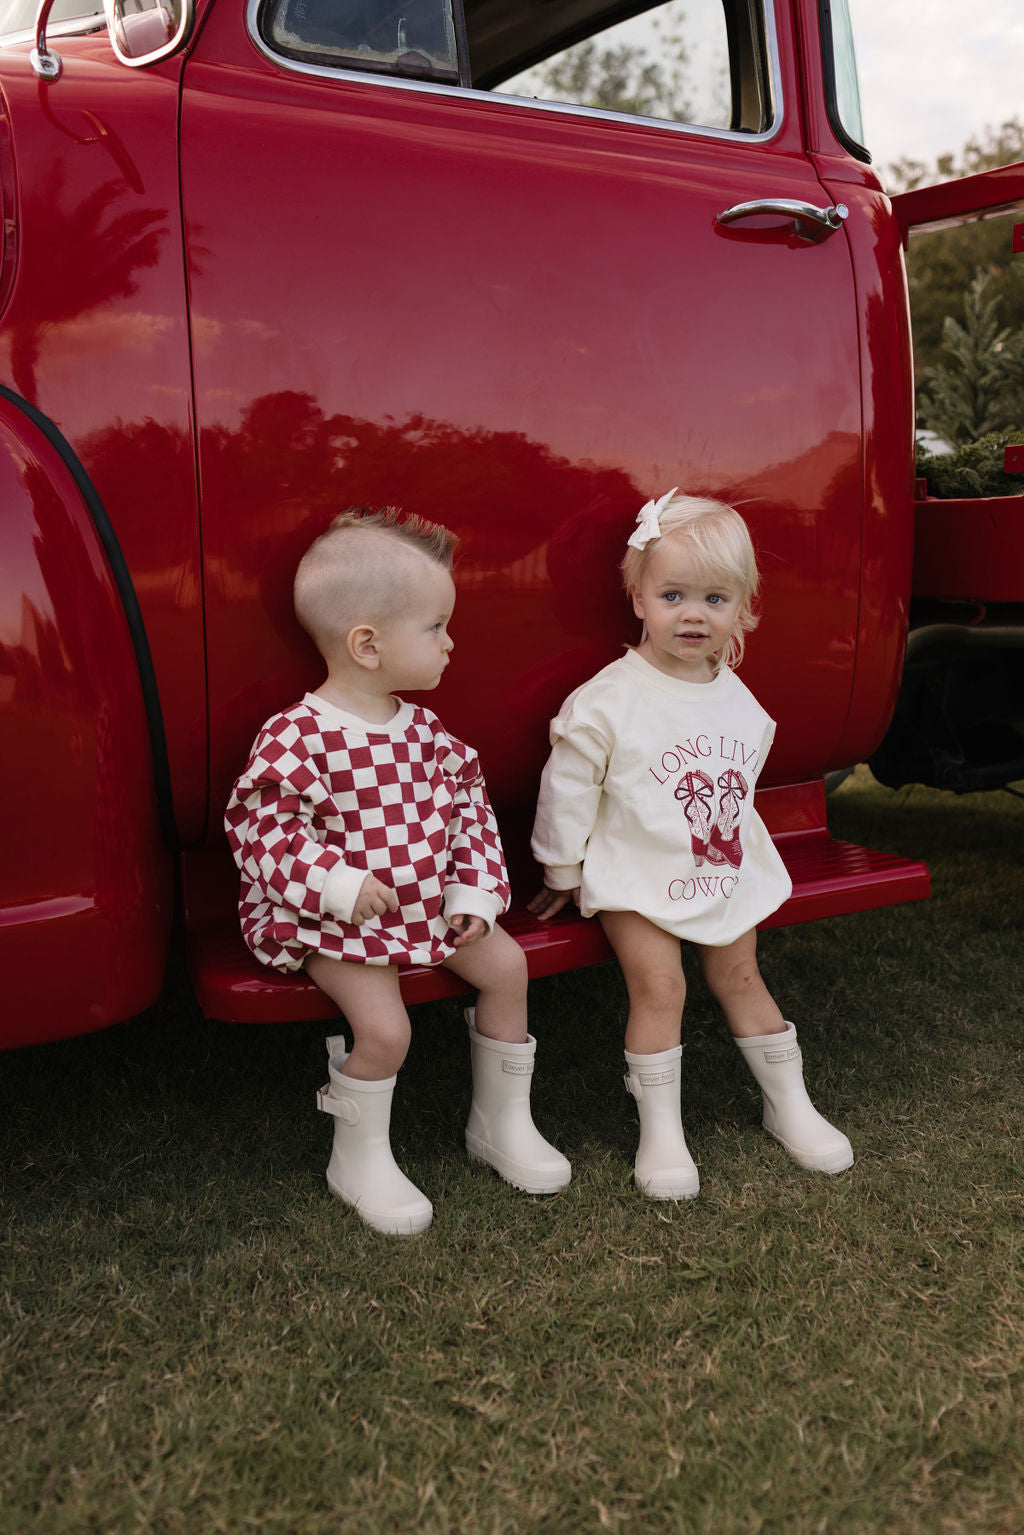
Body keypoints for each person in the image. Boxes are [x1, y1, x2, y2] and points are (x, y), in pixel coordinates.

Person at [226, 506, 570, 1236]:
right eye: (437, 625)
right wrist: (337, 884)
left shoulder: (427, 734)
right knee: (385, 1031)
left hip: (424, 907)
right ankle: (358, 1157)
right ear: (367, 644)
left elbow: (470, 813)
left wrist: (473, 891)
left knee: (507, 968)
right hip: (328, 918)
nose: (452, 642)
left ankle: (500, 1124)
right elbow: (260, 827)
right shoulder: (299, 735)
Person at [529, 490, 852, 1199]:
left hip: (718, 870)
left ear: (742, 606)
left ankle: (789, 1104)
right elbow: (569, 786)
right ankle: (662, 1131)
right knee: (661, 985)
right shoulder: (609, 699)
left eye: (715, 597)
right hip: (636, 871)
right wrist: (561, 865)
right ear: (638, 597)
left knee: (741, 977)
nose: (694, 613)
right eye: (673, 594)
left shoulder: (735, 696)